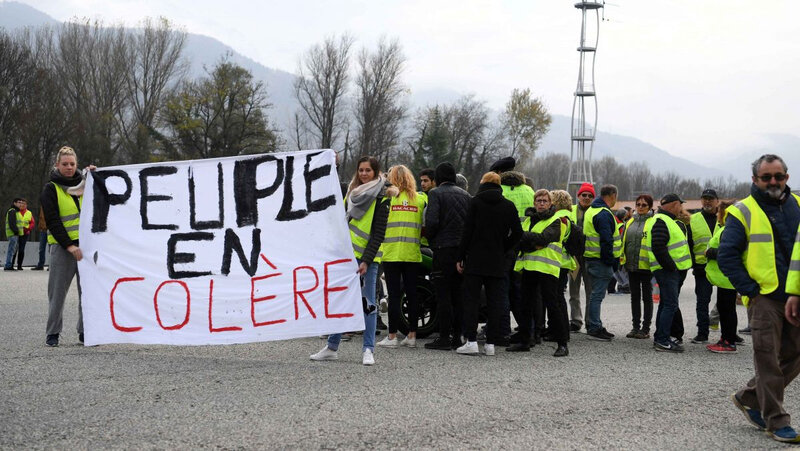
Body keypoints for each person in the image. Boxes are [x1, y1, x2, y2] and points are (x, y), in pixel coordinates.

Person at [719, 154, 800, 443]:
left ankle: (749, 396)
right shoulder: (743, 211)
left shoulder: (798, 205)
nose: (773, 182)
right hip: (764, 297)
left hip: (794, 294)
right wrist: (750, 291)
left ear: (787, 178)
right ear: (755, 180)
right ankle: (776, 421)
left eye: (778, 176)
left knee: (794, 354)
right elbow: (727, 255)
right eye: (766, 177)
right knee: (767, 359)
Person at [311, 156, 392, 366]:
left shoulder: (382, 197)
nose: (364, 174)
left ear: (376, 172)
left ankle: (368, 350)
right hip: (346, 258)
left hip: (368, 259)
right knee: (341, 301)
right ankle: (332, 347)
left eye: (368, 171)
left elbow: (378, 233)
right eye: (361, 170)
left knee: (368, 305)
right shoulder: (352, 195)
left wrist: (366, 261)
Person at [456, 172, 522, 356]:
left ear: (482, 183)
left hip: (475, 259)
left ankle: (470, 341)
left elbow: (466, 231)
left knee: (471, 301)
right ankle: (491, 343)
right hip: (497, 260)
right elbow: (517, 232)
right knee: (496, 303)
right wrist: (503, 247)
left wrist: (461, 256)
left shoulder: (475, 203)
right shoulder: (508, 206)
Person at [42, 146, 95, 347]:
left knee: (88, 293)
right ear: (57, 165)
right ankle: (53, 333)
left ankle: (85, 331)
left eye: (72, 164)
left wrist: (97, 176)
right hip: (63, 249)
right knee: (57, 294)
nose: (69, 167)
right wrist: (69, 246)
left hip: (87, 248)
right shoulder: (50, 189)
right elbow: (53, 221)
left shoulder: (87, 184)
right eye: (65, 164)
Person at [509, 189, 569, 356]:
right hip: (529, 267)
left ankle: (562, 344)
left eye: (545, 201)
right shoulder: (529, 220)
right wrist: (531, 242)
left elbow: (544, 239)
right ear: (534, 203)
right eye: (539, 200)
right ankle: (525, 340)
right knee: (525, 306)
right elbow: (518, 240)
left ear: (551, 203)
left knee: (552, 306)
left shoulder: (558, 220)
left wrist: (527, 239)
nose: (541, 203)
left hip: (547, 269)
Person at [423, 162, 471, 350]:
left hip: (442, 249)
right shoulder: (467, 195)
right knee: (458, 295)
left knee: (443, 295)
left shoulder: (435, 194)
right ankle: (457, 337)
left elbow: (432, 221)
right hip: (461, 251)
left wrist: (432, 240)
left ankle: (444, 337)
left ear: (438, 179)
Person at [376, 165, 425, 349]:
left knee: (394, 296)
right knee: (412, 295)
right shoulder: (420, 200)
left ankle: (392, 336)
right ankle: (412, 336)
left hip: (391, 253)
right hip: (412, 253)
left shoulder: (388, 199)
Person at [493, 156, 535, 342]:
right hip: (525, 246)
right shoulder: (529, 191)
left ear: (500, 173)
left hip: (503, 247)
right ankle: (529, 331)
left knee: (502, 289)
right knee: (521, 291)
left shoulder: (498, 190)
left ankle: (503, 331)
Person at [648, 193, 693, 352]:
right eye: (680, 205)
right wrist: (671, 267)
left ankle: (661, 337)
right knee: (670, 304)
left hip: (668, 271)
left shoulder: (666, 220)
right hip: (667, 271)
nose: (681, 208)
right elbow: (658, 247)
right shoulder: (662, 221)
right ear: (675, 204)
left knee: (666, 304)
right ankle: (662, 340)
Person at [583, 184, 621, 341]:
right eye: (615, 197)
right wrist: (610, 262)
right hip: (600, 260)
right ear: (612, 195)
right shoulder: (604, 213)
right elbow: (606, 240)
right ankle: (594, 327)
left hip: (591, 258)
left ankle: (595, 324)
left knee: (594, 294)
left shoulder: (592, 210)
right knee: (597, 295)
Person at [704, 200, 739, 353]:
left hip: (727, 277)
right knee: (726, 309)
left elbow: (728, 252)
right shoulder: (726, 228)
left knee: (727, 310)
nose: (717, 214)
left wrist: (709, 252)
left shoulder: (729, 230)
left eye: (720, 211)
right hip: (725, 278)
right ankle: (729, 337)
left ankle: (728, 341)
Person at [689, 188, 720, 344]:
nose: (707, 201)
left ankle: (729, 334)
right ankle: (702, 333)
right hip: (702, 268)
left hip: (723, 267)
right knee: (702, 302)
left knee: (725, 303)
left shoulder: (725, 218)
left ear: (717, 201)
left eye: (710, 198)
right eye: (705, 198)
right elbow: (689, 243)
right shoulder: (693, 219)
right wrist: (693, 264)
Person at [622, 194, 655, 339]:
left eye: (644, 205)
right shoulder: (629, 222)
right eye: (638, 204)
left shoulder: (653, 222)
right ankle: (635, 327)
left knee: (647, 297)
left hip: (646, 266)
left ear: (650, 207)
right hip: (631, 265)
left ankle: (645, 328)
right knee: (634, 297)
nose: (640, 207)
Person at [568, 182, 595, 332]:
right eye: (584, 195)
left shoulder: (596, 212)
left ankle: (590, 321)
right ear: (578, 196)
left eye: (590, 195)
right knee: (573, 291)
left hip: (590, 256)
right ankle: (575, 320)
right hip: (574, 258)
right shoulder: (570, 210)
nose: (586, 197)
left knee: (591, 291)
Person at [14, 198, 34, 270]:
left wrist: (27, 228)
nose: (22, 205)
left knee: (21, 249)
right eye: (21, 203)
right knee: (14, 249)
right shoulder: (16, 212)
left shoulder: (29, 213)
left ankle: (19, 265)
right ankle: (12, 264)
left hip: (25, 233)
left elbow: (32, 223)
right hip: (16, 233)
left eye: (23, 203)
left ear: (26, 205)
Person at [4, 198, 22, 271]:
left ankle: (9, 265)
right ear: (14, 203)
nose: (20, 204)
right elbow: (12, 223)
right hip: (13, 234)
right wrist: (16, 231)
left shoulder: (15, 211)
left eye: (21, 202)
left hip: (14, 234)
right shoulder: (12, 211)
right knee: (11, 250)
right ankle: (8, 265)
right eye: (19, 202)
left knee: (12, 250)